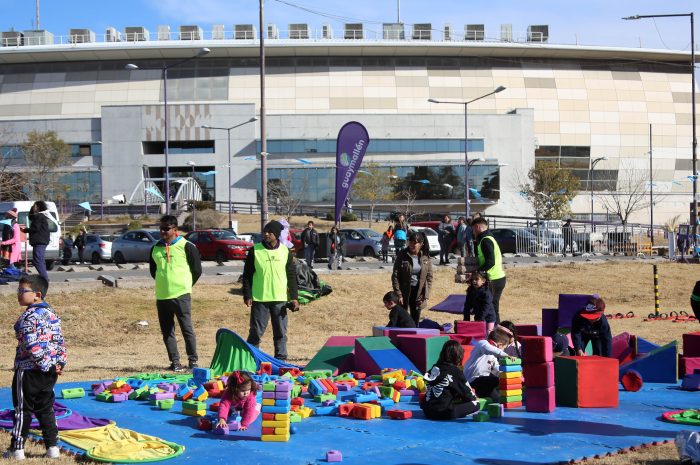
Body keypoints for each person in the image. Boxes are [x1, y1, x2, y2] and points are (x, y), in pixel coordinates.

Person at [6, 275, 66, 460]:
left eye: (22, 291)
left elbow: (33, 345)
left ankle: (17, 450)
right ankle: (52, 447)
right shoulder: (53, 314)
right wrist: (59, 363)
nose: (18, 294)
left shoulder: (28, 317)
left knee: (23, 410)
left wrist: (46, 365)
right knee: (46, 409)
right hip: (48, 373)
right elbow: (59, 342)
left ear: (37, 295)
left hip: (29, 371)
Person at [149, 215, 202, 372]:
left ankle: (193, 361)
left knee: (187, 329)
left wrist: (185, 285)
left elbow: (197, 270)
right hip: (162, 296)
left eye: (166, 229)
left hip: (181, 295)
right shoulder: (155, 248)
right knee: (167, 332)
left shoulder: (187, 246)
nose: (163, 231)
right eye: (161, 228)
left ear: (175, 229)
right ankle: (175, 362)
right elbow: (154, 271)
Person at [242, 220, 299, 361]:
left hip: (280, 299)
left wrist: (294, 297)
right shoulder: (255, 250)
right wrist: (247, 294)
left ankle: (281, 359)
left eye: (270, 232)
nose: (266, 234)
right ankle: (251, 359)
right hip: (260, 298)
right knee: (256, 332)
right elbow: (247, 275)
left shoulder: (285, 251)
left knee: (280, 332)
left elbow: (291, 275)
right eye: (265, 231)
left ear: (277, 234)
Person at [422, 340, 480, 420]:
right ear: (458, 355)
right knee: (476, 404)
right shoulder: (455, 371)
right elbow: (469, 396)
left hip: (427, 412)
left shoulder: (433, 368)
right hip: (444, 412)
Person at [391, 230, 433, 326]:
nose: (412, 245)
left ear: (421, 244)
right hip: (404, 291)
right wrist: (398, 294)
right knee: (402, 318)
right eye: (410, 242)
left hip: (418, 292)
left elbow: (429, 278)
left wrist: (425, 294)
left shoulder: (426, 257)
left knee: (415, 319)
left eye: (415, 243)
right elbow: (395, 275)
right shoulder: (402, 254)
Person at [471, 216, 506, 323]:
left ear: (477, 227)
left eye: (473, 230)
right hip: (498, 278)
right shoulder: (488, 237)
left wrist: (478, 273)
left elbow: (491, 261)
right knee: (493, 307)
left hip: (493, 279)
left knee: (490, 309)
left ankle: (494, 333)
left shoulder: (485, 240)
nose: (473, 233)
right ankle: (495, 332)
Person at [463, 327, 514, 398]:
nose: (503, 350)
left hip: (482, 382)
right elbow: (488, 348)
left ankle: (484, 397)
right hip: (472, 380)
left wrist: (508, 376)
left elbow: (496, 369)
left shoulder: (494, 357)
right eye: (504, 348)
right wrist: (504, 355)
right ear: (499, 345)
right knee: (494, 380)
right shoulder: (482, 343)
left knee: (497, 397)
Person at [26, 201, 51, 284]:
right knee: (40, 260)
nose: (33, 207)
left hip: (39, 241)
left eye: (35, 205)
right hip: (41, 241)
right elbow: (31, 218)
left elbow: (35, 228)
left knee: (37, 260)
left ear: (38, 207)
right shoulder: (41, 216)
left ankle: (45, 279)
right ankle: (44, 278)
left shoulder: (39, 216)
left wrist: (25, 230)